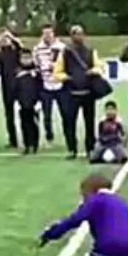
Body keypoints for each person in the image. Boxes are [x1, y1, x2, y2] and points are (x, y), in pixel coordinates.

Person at [53, 25, 105, 159]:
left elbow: (99, 66)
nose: (78, 36)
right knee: (69, 122)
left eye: (80, 33)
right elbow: (57, 72)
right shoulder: (65, 52)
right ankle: (72, 148)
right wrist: (68, 78)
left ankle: (90, 148)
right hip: (70, 93)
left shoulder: (91, 51)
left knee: (89, 123)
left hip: (88, 92)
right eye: (75, 34)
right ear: (71, 36)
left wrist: (92, 71)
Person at [32, 24, 66, 147]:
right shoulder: (37, 49)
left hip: (60, 84)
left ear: (53, 34)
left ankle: (68, 135)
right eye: (45, 33)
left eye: (49, 33)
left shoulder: (62, 47)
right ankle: (49, 136)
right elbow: (36, 65)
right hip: (45, 85)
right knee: (47, 114)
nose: (47, 36)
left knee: (65, 112)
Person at [0, 27, 23, 149]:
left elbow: (22, 47)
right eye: (3, 38)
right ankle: (13, 140)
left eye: (6, 38)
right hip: (6, 86)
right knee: (9, 114)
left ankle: (28, 138)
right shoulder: (0, 53)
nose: (5, 40)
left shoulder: (15, 50)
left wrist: (11, 36)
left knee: (25, 112)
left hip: (19, 85)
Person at [13, 47, 42, 154]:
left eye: (28, 58)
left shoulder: (36, 72)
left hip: (34, 103)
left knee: (34, 124)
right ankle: (26, 145)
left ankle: (34, 144)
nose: (26, 60)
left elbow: (40, 87)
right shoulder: (17, 72)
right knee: (24, 124)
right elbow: (14, 88)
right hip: (22, 103)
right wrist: (16, 101)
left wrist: (39, 101)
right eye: (23, 58)